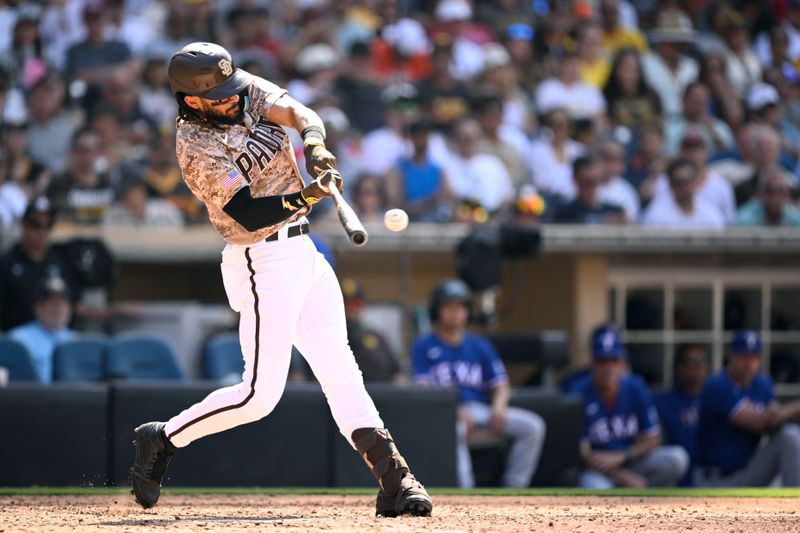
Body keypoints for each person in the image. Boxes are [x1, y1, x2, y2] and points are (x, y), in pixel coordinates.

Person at [128, 42, 432, 518]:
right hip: (259, 259)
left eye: (233, 88)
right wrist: (306, 196)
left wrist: (313, 144)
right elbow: (246, 214)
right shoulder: (194, 145)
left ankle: (396, 481)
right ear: (192, 100)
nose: (236, 98)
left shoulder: (241, 89)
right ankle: (163, 438)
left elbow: (298, 109)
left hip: (305, 253)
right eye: (222, 96)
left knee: (340, 369)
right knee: (258, 396)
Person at [412, 279, 546, 489]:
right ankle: (467, 492)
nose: (455, 312)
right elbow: (423, 389)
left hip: (482, 410)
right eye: (448, 306)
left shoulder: (480, 345)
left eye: (460, 306)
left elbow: (501, 385)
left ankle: (514, 488)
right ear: (437, 310)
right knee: (457, 430)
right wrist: (454, 411)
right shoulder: (424, 345)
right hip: (447, 414)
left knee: (533, 426)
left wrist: (499, 407)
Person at [578, 325, 689, 489]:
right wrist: (624, 476)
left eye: (613, 360)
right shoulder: (580, 393)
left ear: (622, 363)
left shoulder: (635, 387)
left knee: (677, 458)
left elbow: (653, 438)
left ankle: (648, 507)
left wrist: (623, 456)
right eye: (602, 361)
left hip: (631, 460)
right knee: (593, 488)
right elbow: (583, 453)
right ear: (592, 364)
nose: (608, 367)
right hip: (599, 471)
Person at [696, 330, 800, 487]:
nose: (749, 363)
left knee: (789, 434)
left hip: (748, 472)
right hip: (715, 479)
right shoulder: (717, 385)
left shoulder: (763, 384)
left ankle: (796, 501)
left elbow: (774, 425)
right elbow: (757, 422)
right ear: (730, 355)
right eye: (743, 357)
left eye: (753, 357)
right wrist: (793, 409)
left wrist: (787, 416)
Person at [0, 197, 80, 332]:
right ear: (24, 226)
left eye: (48, 225)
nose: (42, 232)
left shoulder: (59, 261)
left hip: (54, 337)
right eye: (35, 225)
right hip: (16, 341)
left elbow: (74, 303)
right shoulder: (7, 263)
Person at [653, 344, 710, 486]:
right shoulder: (664, 400)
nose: (698, 367)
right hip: (677, 475)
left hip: (711, 473)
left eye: (701, 361)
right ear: (680, 368)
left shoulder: (715, 398)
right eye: (692, 362)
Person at [8, 276, 77, 384]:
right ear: (37, 307)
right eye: (52, 302)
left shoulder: (76, 340)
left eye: (62, 302)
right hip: (30, 398)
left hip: (71, 398)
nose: (58, 308)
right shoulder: (18, 339)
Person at [342, 278, 405, 383]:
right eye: (346, 304)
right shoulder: (324, 340)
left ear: (363, 305)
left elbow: (398, 374)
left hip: (379, 396)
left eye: (356, 304)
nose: (350, 309)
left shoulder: (377, 338)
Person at [554, 155, 627, 224]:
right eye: (586, 181)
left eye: (595, 181)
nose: (591, 187)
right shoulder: (565, 215)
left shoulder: (615, 212)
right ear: (575, 179)